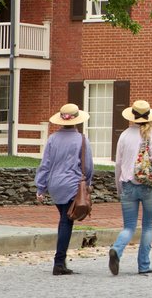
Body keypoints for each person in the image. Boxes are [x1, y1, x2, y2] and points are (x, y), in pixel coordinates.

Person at [109, 99, 152, 276]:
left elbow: (118, 163)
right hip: (149, 186)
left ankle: (116, 249)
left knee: (128, 227)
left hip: (128, 185)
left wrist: (118, 186)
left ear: (132, 116)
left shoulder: (124, 135)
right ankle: (143, 265)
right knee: (148, 226)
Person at [35, 103, 93, 276]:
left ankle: (61, 261)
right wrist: (87, 184)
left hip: (54, 185)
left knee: (63, 219)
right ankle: (59, 262)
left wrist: (41, 187)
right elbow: (88, 166)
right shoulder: (82, 139)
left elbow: (45, 164)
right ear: (76, 120)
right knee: (66, 221)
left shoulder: (52, 139)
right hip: (72, 185)